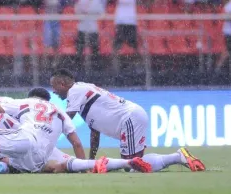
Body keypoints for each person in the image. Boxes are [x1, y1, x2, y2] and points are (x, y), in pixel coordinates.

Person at [49, 68, 206, 172]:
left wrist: (48, 129)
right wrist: (91, 162)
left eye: (54, 87)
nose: (54, 92)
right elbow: (94, 133)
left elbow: (67, 119)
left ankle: (177, 157)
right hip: (132, 117)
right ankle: (178, 156)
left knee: (132, 166)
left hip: (130, 118)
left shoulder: (75, 91)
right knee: (134, 163)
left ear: (62, 83)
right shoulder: (82, 94)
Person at [0, 88, 86, 174]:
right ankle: (92, 164)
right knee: (52, 165)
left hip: (23, 138)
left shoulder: (23, 103)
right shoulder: (59, 111)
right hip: (43, 154)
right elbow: (77, 143)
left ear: (30, 96)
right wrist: (84, 169)